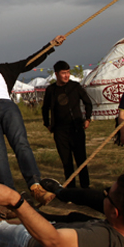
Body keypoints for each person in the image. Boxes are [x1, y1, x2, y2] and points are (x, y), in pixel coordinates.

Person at [0, 35, 66, 204]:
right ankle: (9, 196)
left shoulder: (3, 69)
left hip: (7, 107)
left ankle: (36, 186)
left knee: (21, 143)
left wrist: (50, 46)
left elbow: (29, 62)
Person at [42, 60, 93, 189]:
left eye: (68, 72)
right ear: (56, 74)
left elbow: (88, 103)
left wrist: (87, 119)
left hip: (76, 128)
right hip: (60, 131)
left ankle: (85, 188)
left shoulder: (75, 87)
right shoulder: (51, 90)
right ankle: (71, 190)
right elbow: (45, 108)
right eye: (63, 73)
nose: (66, 75)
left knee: (81, 160)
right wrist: (47, 124)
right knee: (66, 162)